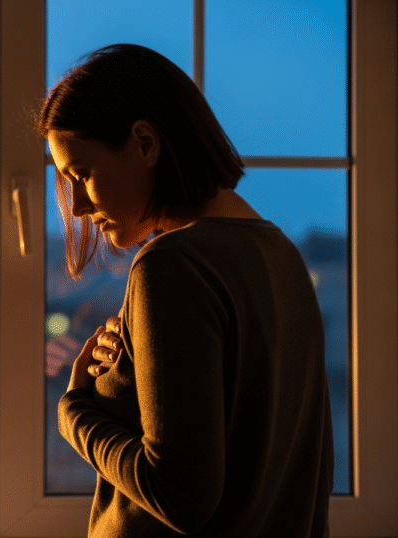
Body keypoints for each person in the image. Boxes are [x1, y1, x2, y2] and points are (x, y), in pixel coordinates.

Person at [39, 44, 334, 537]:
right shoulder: (282, 255)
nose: (78, 210)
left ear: (145, 144)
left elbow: (180, 496)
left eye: (82, 175)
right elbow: (298, 465)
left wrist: (76, 413)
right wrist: (135, 364)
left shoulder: (171, 265)